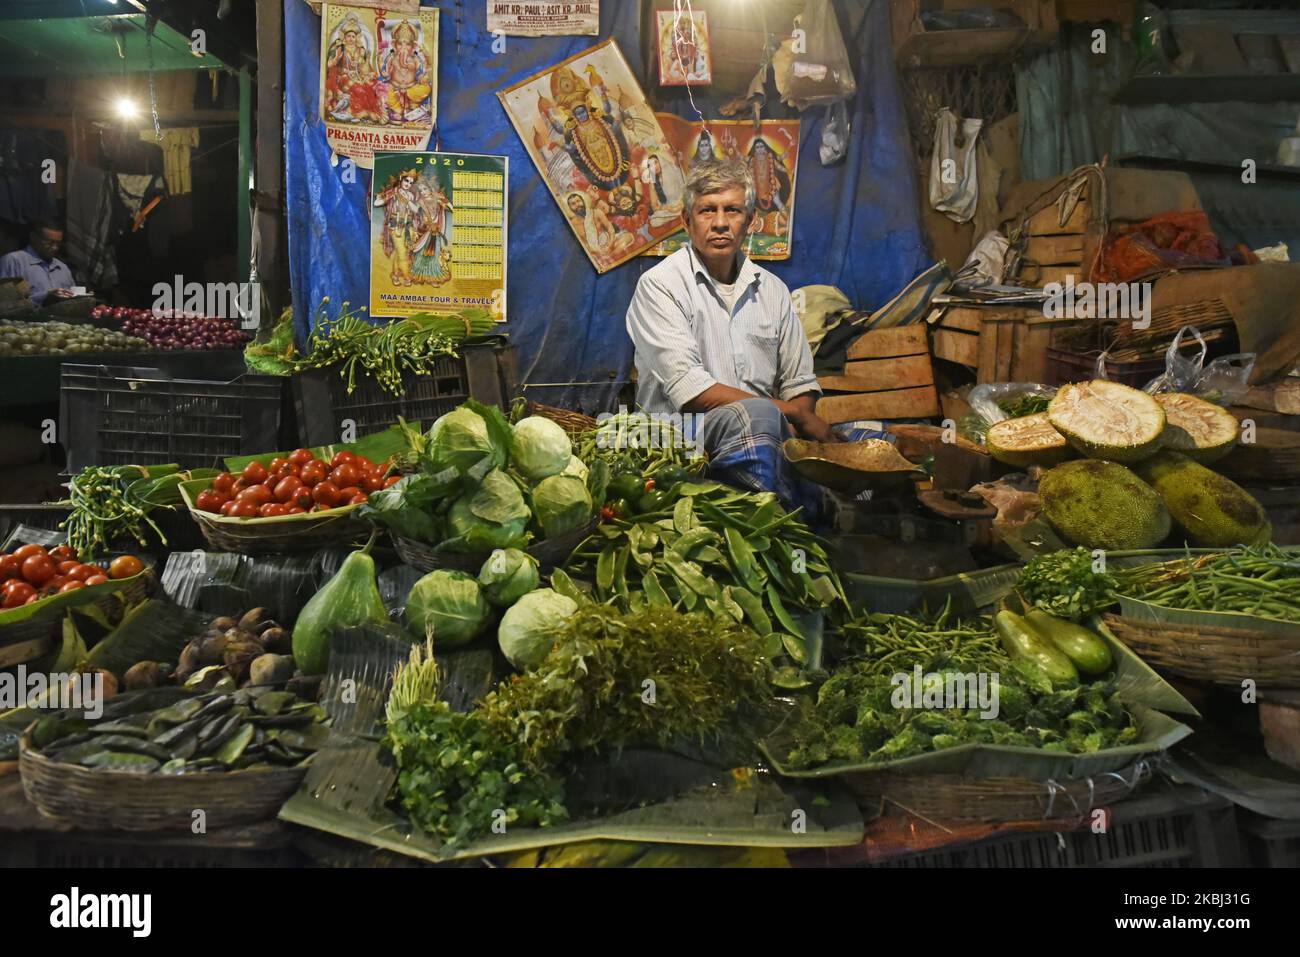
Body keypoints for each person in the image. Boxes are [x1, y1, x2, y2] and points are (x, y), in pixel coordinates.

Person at [625, 161, 840, 516]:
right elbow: (692, 392)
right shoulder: (660, 285)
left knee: (872, 434)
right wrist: (792, 417)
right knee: (758, 416)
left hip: (765, 432)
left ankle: (810, 513)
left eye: (733, 210)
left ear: (751, 220)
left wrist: (797, 415)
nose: (721, 222)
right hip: (678, 438)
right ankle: (776, 522)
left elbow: (799, 383)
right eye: (707, 210)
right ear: (686, 221)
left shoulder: (772, 290)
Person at [0, 220, 79, 307]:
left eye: (58, 243)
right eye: (49, 242)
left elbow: (72, 301)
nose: (55, 247)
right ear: (34, 237)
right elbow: (5, 301)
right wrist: (44, 298)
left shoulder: (62, 268)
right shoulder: (13, 261)